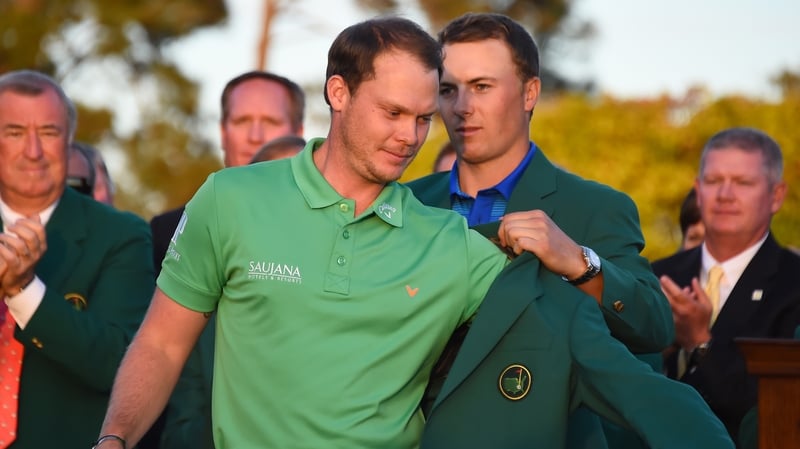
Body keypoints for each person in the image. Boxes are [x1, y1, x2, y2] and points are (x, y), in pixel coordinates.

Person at [96, 16, 522, 449]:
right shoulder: (230, 199)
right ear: (339, 93)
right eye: (392, 112)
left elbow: (558, 329)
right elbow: (162, 343)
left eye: (423, 118)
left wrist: (578, 262)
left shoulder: (449, 241)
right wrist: (114, 439)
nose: (409, 136)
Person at [407, 12, 672, 449]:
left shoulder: (595, 208)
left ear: (530, 93)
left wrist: (582, 264)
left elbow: (654, 326)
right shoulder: (405, 203)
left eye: (482, 87)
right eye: (448, 90)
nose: (462, 107)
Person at [150, 71, 305, 449]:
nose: (255, 135)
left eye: (269, 121)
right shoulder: (166, 232)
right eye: (241, 121)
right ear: (223, 132)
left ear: (298, 130)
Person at [0, 70, 154, 447]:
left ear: (69, 142)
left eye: (49, 133)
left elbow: (117, 367)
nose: (33, 151)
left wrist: (23, 289)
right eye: (15, 132)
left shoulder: (120, 236)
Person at [652, 127, 800, 442]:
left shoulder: (794, 283)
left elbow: (775, 412)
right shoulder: (656, 275)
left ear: (776, 196)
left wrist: (700, 343)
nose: (725, 195)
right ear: (698, 188)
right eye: (714, 181)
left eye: (743, 183)